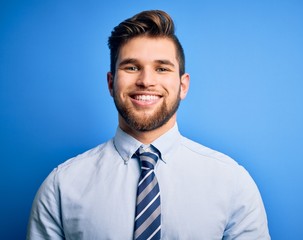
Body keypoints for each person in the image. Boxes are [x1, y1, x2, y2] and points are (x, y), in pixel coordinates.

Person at [27, 10, 270, 240]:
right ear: (111, 83)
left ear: (183, 86)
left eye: (162, 68)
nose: (146, 81)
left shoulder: (232, 182)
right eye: (132, 67)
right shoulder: (62, 185)